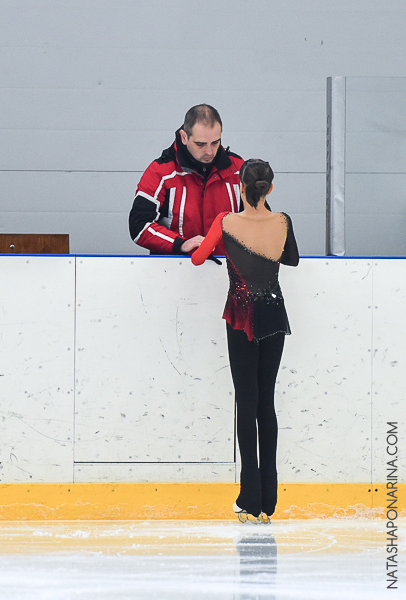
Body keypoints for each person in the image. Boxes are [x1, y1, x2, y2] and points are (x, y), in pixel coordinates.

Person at [191, 159, 299, 523]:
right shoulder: (283, 221)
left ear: (240, 186)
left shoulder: (225, 222)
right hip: (273, 313)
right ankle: (268, 500)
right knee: (265, 402)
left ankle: (249, 498)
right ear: (271, 188)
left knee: (246, 402)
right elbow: (293, 259)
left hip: (240, 316)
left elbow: (197, 258)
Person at [129, 104, 244, 256]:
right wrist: (180, 244)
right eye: (200, 144)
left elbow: (259, 222)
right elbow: (139, 227)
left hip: (226, 272)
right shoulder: (160, 172)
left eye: (215, 142)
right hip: (173, 270)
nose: (209, 151)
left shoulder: (237, 169)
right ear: (184, 137)